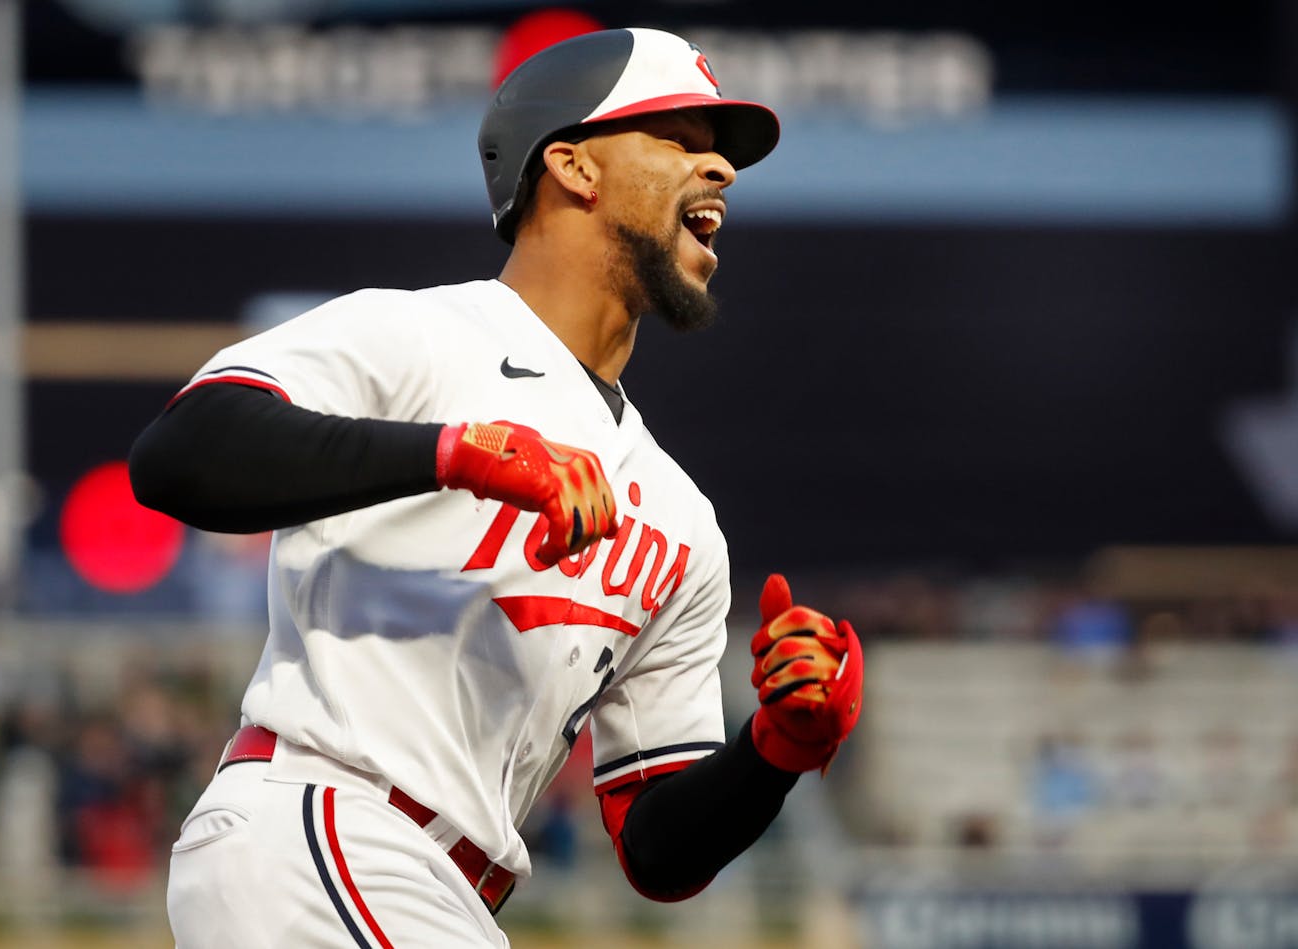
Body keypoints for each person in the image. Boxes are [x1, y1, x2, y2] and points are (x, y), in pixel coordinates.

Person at [130, 27, 864, 949]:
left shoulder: (682, 520)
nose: (718, 166)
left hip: (445, 889)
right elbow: (181, 454)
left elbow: (658, 846)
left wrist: (775, 749)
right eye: (679, 135)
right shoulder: (422, 336)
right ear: (573, 166)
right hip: (322, 830)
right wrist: (457, 453)